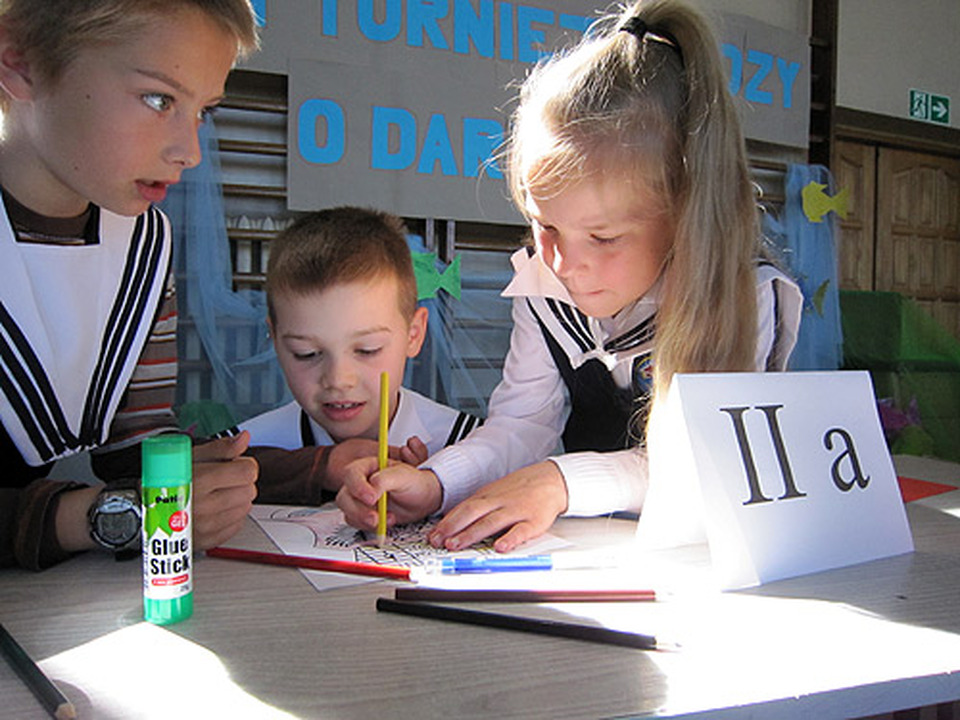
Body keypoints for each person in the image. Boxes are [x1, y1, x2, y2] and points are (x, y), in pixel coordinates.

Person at [336, 0, 802, 551]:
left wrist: (560, 481)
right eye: (545, 225)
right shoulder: (543, 286)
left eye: (603, 237)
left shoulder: (748, 294)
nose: (563, 263)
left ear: (685, 212)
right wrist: (438, 482)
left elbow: (708, 467)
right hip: (590, 557)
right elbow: (522, 426)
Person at [0, 0, 260, 570]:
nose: (189, 152)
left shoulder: (143, 243)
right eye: (158, 99)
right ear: (18, 60)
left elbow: (131, 445)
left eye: (203, 111)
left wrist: (310, 468)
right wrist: (102, 516)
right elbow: (121, 497)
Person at [236, 206, 482, 506]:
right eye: (307, 354)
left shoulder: (470, 444)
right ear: (274, 339)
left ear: (414, 334)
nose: (339, 380)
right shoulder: (240, 452)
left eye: (368, 349)